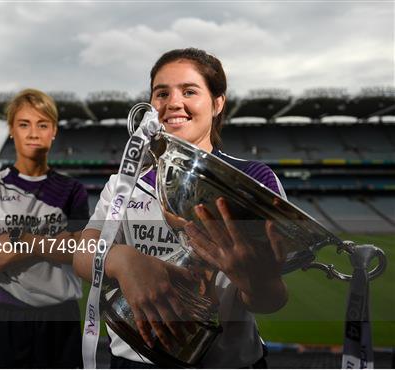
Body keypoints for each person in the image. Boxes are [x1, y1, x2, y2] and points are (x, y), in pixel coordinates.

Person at [73, 48, 288, 368]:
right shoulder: (124, 182)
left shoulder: (252, 181)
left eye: (189, 91)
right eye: (162, 93)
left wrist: (252, 278)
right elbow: (82, 253)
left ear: (217, 103)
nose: (173, 103)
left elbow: (271, 299)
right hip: (131, 358)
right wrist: (121, 260)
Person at [0, 88, 89, 368]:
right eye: (24, 124)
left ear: (54, 131)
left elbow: (80, 252)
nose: (33, 132)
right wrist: (54, 242)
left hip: (60, 319)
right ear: (11, 130)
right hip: (3, 316)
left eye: (42, 124)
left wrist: (23, 239)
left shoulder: (73, 191)